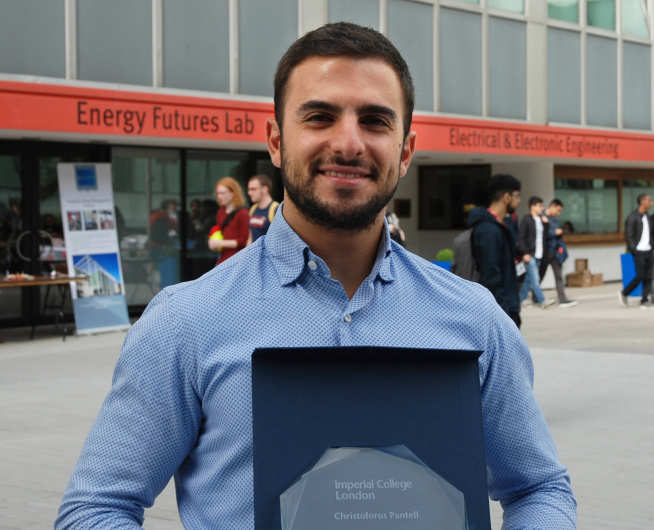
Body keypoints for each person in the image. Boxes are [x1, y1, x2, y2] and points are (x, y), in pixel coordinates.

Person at [56, 22, 576, 529]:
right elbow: (95, 510)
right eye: (320, 117)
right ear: (276, 141)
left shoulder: (474, 318)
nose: (348, 143)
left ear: (405, 151)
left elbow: (539, 489)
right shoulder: (185, 322)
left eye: (375, 121)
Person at [468, 174, 522, 328]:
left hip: (508, 304)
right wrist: (503, 313)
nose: (518, 201)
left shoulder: (503, 225)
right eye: (517, 196)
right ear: (506, 197)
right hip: (500, 310)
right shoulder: (488, 230)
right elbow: (490, 275)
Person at [539, 199, 578, 308]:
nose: (558, 213)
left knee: (558, 276)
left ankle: (562, 299)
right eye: (558, 210)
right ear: (552, 206)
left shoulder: (554, 220)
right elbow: (541, 233)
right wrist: (554, 232)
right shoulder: (541, 217)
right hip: (545, 252)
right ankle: (535, 296)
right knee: (540, 275)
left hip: (555, 252)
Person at [518, 196, 555, 309]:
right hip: (530, 254)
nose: (542, 208)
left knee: (529, 279)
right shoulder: (526, 219)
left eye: (542, 206)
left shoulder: (541, 220)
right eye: (539, 206)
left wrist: (546, 224)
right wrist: (525, 253)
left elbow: (545, 237)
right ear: (532, 207)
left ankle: (521, 299)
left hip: (540, 254)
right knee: (535, 279)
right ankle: (542, 300)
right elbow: (521, 238)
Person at [620, 193, 653, 308]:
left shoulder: (648, 216)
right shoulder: (632, 217)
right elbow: (629, 235)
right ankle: (625, 293)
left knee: (649, 276)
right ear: (642, 202)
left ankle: (644, 300)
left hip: (649, 250)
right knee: (640, 276)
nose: (651, 203)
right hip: (638, 251)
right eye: (649, 200)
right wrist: (634, 249)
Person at [209, 177, 249, 264]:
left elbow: (244, 241)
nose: (219, 196)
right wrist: (213, 240)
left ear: (233, 193)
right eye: (217, 193)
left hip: (237, 260)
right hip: (222, 259)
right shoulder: (221, 212)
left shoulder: (243, 213)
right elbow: (219, 231)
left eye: (222, 193)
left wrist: (221, 243)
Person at [246, 173, 279, 243]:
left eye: (253, 189)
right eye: (249, 189)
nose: (249, 193)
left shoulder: (276, 209)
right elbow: (250, 237)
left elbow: (279, 238)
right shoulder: (253, 209)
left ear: (265, 189)